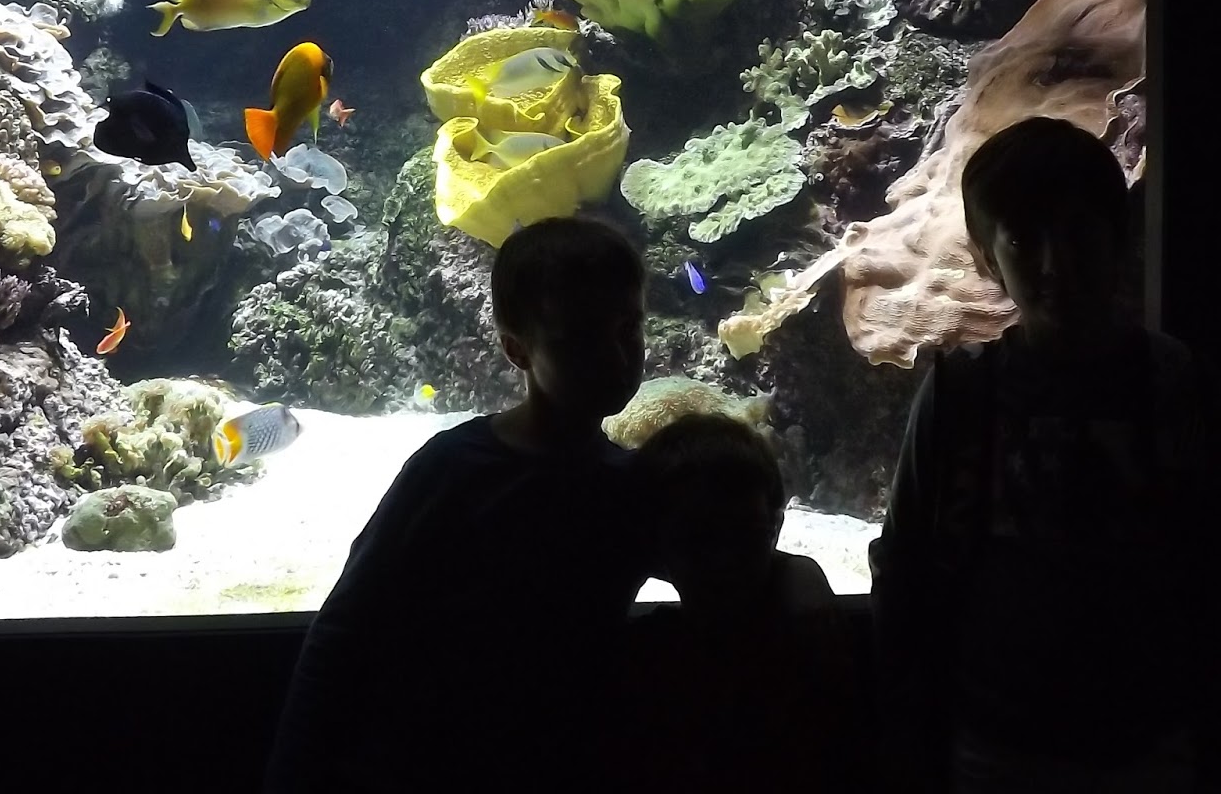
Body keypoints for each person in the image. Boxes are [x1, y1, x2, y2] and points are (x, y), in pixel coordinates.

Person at [869, 115, 1210, 792]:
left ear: (1119, 237)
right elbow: (905, 552)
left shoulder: (1173, 383)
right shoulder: (961, 389)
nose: (1056, 264)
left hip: (1150, 738)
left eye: (1078, 232)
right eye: (1024, 240)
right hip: (994, 740)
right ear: (988, 258)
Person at [264, 215, 649, 793]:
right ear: (516, 349)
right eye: (584, 334)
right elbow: (347, 627)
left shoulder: (632, 485)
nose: (618, 354)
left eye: (629, 326)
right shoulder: (452, 469)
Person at [621, 411, 860, 789]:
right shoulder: (806, 639)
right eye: (699, 539)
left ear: (775, 528)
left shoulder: (806, 644)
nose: (724, 560)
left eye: (744, 537)